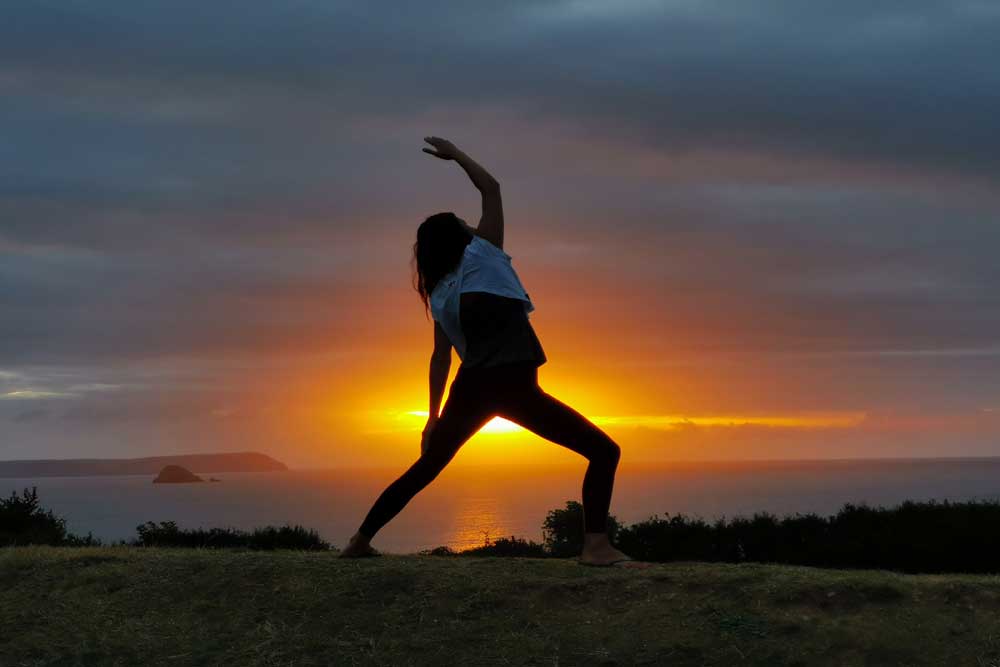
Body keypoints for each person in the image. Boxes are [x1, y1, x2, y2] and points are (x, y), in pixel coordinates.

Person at [339, 137, 639, 567]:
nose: (472, 225)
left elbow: (441, 359)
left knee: (425, 469)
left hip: (472, 388)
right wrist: (457, 155)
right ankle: (595, 546)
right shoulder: (485, 253)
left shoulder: (440, 293)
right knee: (605, 452)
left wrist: (433, 417)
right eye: (465, 223)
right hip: (513, 384)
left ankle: (358, 540)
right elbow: (491, 188)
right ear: (462, 237)